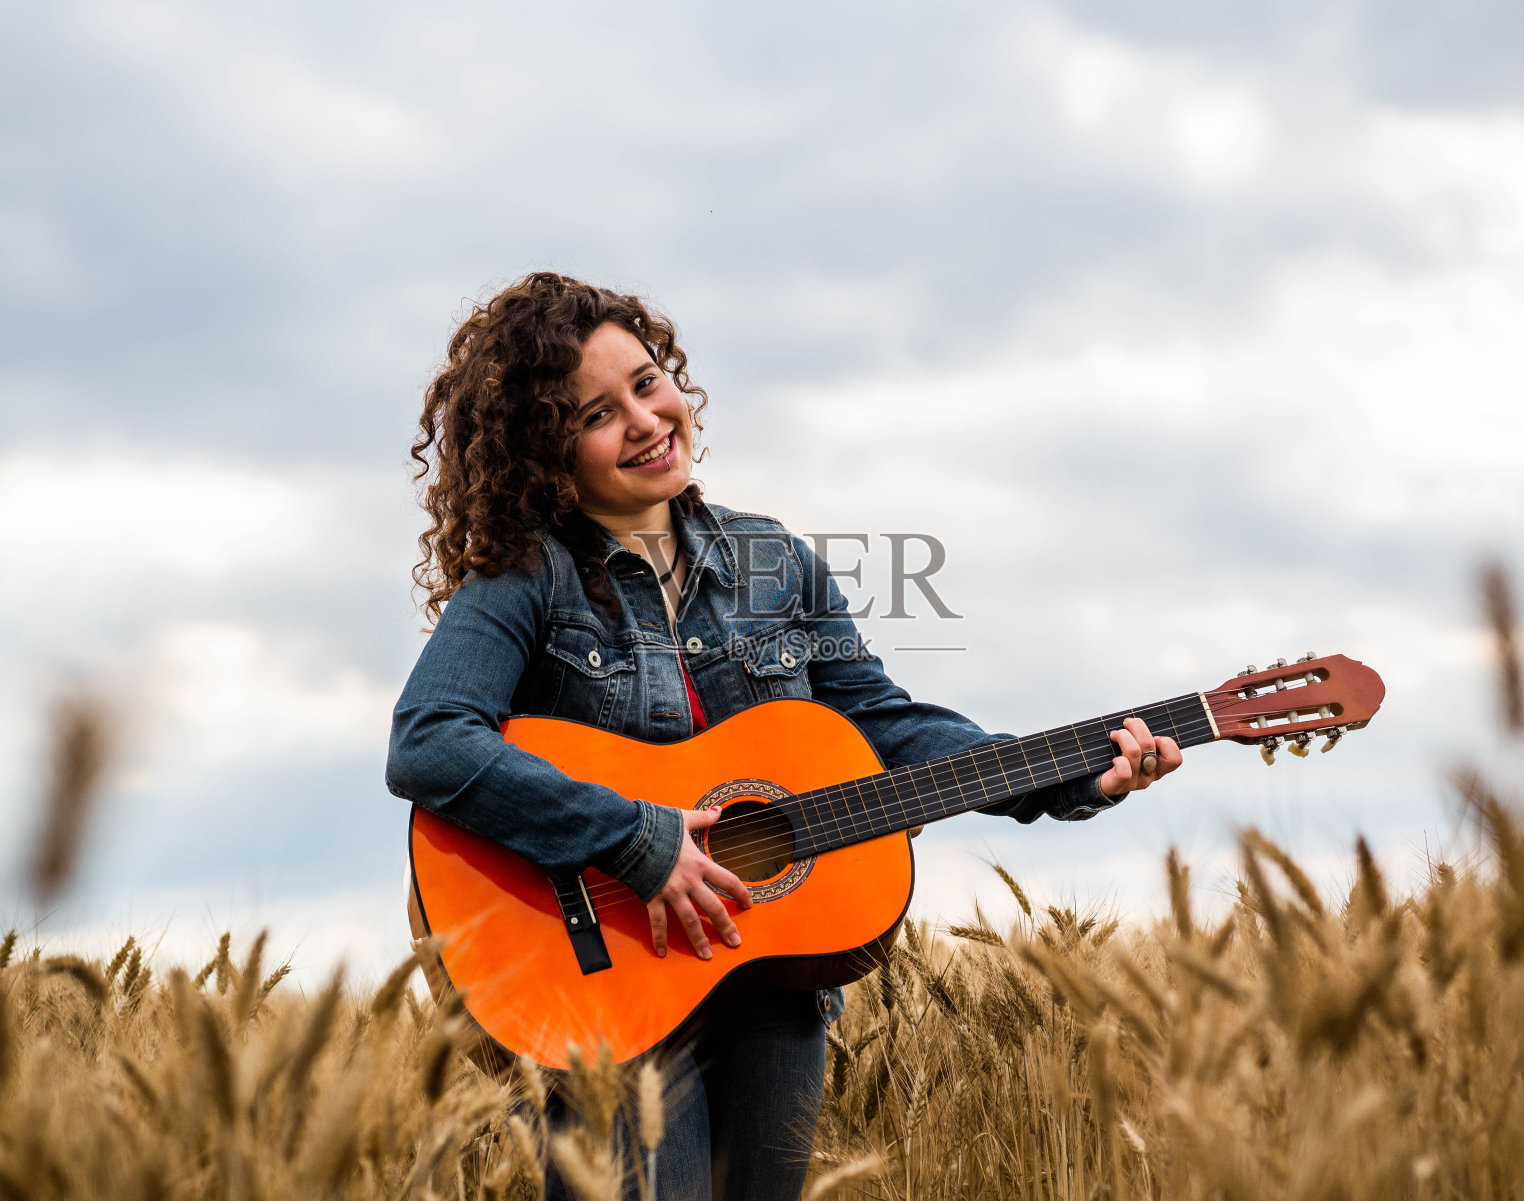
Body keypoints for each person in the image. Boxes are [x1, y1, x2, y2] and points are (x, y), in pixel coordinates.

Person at [386, 272, 1183, 1200]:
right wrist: (637, 841)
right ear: (543, 453)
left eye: (647, 383)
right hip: (603, 977)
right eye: (597, 415)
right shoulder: (526, 579)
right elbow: (429, 738)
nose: (645, 421)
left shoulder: (774, 562)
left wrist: (1078, 773)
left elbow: (880, 724)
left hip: (773, 981)